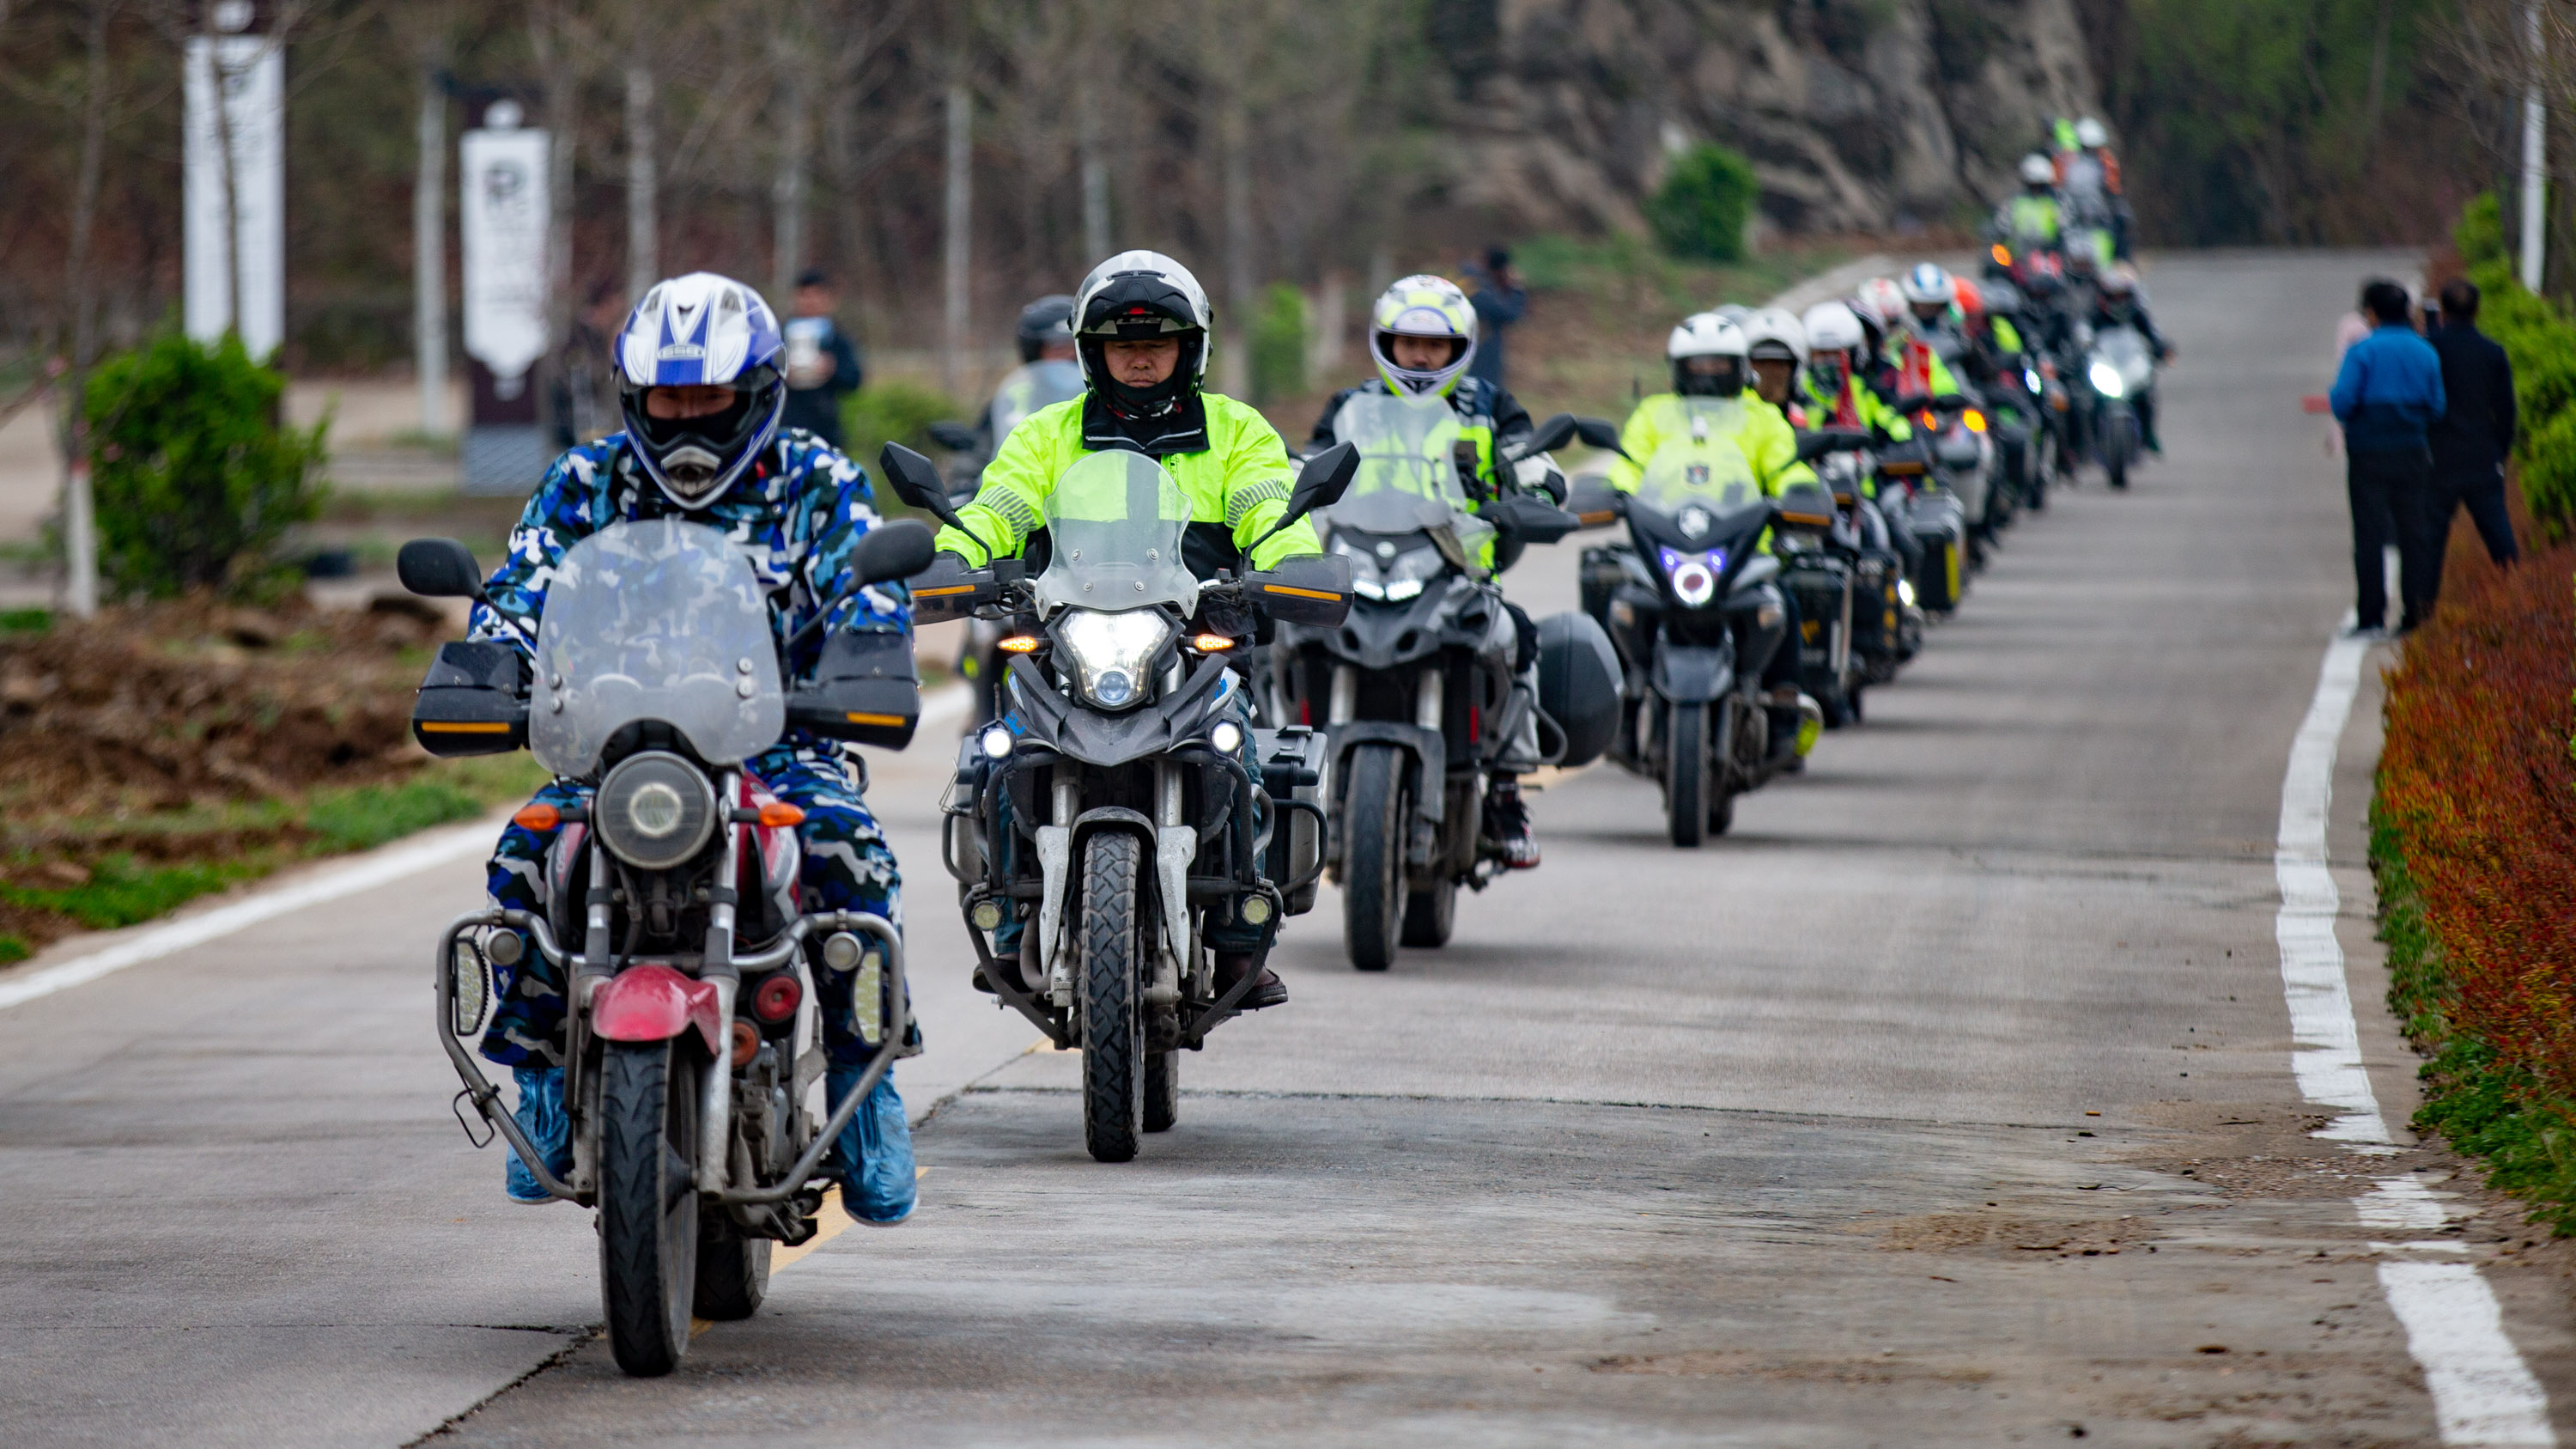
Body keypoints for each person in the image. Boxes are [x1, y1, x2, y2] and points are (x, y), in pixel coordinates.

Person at [470, 272, 918, 1225]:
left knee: (852, 855)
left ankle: (865, 1086)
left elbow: (869, 594)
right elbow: (519, 591)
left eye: (707, 400)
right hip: (613, 758)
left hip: (779, 753)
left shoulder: (816, 481)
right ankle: (544, 1079)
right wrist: (480, 665)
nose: (685, 423)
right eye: (667, 400)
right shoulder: (585, 482)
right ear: (635, 398)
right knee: (525, 855)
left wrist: (867, 657)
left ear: (755, 395)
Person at [929, 249, 1322, 1010]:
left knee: (1232, 740)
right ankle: (1012, 924)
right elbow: (1000, 503)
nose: (1140, 358)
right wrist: (959, 552)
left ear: (1191, 348)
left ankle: (1240, 926)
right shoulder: (1049, 434)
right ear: (1090, 353)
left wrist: (1289, 561)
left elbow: (1270, 505)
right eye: (1121, 344)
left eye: (1158, 343)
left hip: (1194, 637)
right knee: (1007, 750)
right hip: (1067, 636)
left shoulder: (1236, 431)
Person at [1309, 276, 1546, 868]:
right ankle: (1269, 779)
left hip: (1458, 569)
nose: (1420, 356)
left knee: (1516, 635)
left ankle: (1509, 792)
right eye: (1407, 342)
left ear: (1457, 348)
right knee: (1282, 630)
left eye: (1434, 346)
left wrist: (1538, 484)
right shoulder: (1350, 406)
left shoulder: (1490, 404)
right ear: (1384, 343)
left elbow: (1529, 455)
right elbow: (1306, 459)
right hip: (1363, 559)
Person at [1607, 313, 1820, 764]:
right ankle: (1619, 707)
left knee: (1783, 603)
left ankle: (1783, 712)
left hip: (1743, 551)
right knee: (1616, 593)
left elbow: (1785, 466)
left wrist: (1799, 492)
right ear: (1677, 369)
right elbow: (1629, 462)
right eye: (1696, 366)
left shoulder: (1762, 418)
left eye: (1718, 366)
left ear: (1739, 368)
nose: (1707, 375)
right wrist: (1616, 490)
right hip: (1665, 544)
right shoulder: (1653, 413)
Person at [2329, 278, 2445, 637]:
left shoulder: (2362, 352)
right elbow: (2437, 406)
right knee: (2413, 531)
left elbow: (2342, 401)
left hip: (2368, 453)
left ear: (2373, 313)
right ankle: (2414, 613)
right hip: (2411, 451)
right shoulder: (2425, 352)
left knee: (2369, 533)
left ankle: (2371, 614)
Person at [2421, 276, 2522, 609]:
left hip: (2439, 457)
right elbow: (2506, 410)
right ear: (2477, 310)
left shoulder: (2430, 347)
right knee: (2497, 531)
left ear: (2444, 309)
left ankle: (2423, 607)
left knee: (2431, 537)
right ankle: (2516, 597)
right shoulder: (2493, 353)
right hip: (2482, 455)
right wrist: (2500, 450)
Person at [978, 295, 1084, 458]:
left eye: (1076, 349)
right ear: (1035, 353)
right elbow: (983, 449)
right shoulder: (1013, 399)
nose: (1069, 357)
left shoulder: (1105, 398)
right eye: (1058, 349)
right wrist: (967, 469)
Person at [2090, 265, 2172, 454]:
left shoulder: (2138, 315)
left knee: (2147, 395)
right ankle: (2090, 440)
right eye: (2114, 296)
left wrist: (2161, 349)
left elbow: (2153, 335)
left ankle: (2148, 434)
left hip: (2131, 366)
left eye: (2123, 296)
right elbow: (2083, 333)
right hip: (2107, 366)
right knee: (2088, 399)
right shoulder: (2097, 315)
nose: (2119, 300)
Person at [781, 269, 863, 449]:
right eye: (805, 295)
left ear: (828, 298)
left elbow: (854, 380)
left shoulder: (837, 339)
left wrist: (831, 369)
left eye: (816, 295)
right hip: (785, 425)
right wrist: (782, 373)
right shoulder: (779, 336)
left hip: (825, 429)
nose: (810, 301)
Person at [1460, 247, 1528, 390]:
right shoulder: (1478, 290)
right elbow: (1511, 313)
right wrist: (1516, 288)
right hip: (1480, 360)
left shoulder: (1465, 279)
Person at [1738, 306, 1808, 411]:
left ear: (1795, 369)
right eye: (1761, 363)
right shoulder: (1732, 417)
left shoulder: (1810, 415)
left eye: (1779, 364)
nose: (1770, 373)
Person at [1995, 155, 2063, 255]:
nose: (2036, 190)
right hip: (2017, 257)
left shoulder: (2055, 204)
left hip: (2049, 256)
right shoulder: (2014, 202)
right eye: (2033, 185)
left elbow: (2065, 228)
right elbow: (2002, 226)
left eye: (2040, 186)